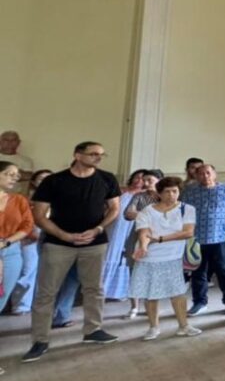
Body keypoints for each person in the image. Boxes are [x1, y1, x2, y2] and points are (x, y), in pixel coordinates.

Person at [24, 141, 121, 363]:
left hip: (95, 243)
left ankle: (93, 330)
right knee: (46, 292)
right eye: (93, 154)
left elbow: (115, 208)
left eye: (101, 154)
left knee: (94, 288)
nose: (98, 157)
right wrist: (64, 235)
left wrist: (98, 229)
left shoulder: (107, 179)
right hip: (58, 244)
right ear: (77, 155)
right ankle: (40, 340)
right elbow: (39, 215)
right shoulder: (54, 181)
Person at [129, 176, 201, 340]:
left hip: (174, 256)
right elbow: (144, 232)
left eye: (175, 191)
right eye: (167, 192)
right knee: (150, 293)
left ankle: (184, 326)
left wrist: (161, 239)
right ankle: (153, 328)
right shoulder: (147, 211)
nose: (171, 195)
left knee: (178, 292)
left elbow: (188, 232)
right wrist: (144, 247)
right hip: (149, 257)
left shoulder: (187, 209)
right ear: (159, 193)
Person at [180, 164, 225, 315]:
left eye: (208, 173)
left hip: (219, 237)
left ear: (214, 174)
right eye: (201, 174)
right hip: (196, 238)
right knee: (198, 272)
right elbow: (182, 211)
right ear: (197, 176)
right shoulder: (189, 191)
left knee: (223, 271)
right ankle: (200, 302)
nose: (205, 176)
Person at [100, 169, 146, 319]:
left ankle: (130, 301)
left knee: (129, 263)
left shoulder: (147, 196)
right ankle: (101, 295)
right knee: (109, 256)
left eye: (143, 178)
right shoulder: (121, 191)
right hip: (115, 229)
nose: (139, 180)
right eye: (137, 177)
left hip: (132, 231)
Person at [120, 169, 164, 318]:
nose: (145, 183)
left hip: (158, 238)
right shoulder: (139, 196)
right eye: (144, 180)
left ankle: (151, 305)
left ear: (159, 181)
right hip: (137, 235)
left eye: (149, 180)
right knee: (134, 271)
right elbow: (128, 214)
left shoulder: (165, 196)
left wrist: (141, 215)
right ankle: (134, 307)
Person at [7, 168, 52, 315]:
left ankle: (37, 302)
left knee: (46, 272)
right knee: (28, 270)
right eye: (41, 179)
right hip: (29, 237)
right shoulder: (24, 199)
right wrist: (29, 233)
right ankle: (20, 305)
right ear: (33, 182)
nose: (45, 182)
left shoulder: (57, 199)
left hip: (51, 237)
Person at [0, 161, 35, 311]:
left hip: (11, 250)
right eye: (10, 174)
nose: (15, 178)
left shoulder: (19, 200)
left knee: (2, 294)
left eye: (17, 175)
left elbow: (27, 226)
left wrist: (6, 242)